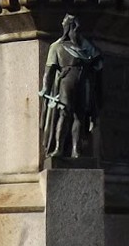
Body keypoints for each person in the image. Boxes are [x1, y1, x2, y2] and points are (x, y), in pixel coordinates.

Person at [41, 14, 103, 159]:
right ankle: (58, 148)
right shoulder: (57, 47)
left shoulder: (84, 46)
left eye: (77, 26)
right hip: (66, 81)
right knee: (64, 113)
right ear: (68, 28)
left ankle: (76, 149)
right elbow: (49, 72)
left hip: (83, 81)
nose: (77, 28)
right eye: (73, 26)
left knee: (80, 116)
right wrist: (45, 88)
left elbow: (97, 61)